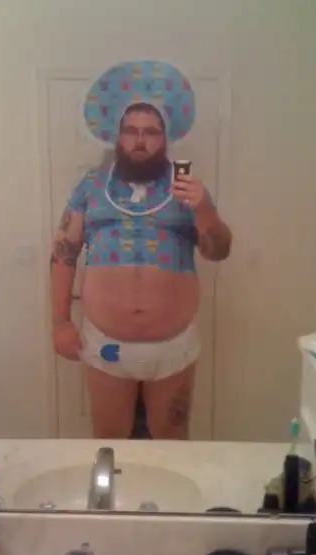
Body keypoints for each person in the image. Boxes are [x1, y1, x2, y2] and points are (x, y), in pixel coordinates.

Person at [50, 60, 232, 440]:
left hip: (173, 348)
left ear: (165, 139)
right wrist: (60, 322)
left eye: (151, 132)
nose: (140, 140)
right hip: (105, 344)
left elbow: (218, 251)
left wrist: (204, 208)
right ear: (117, 136)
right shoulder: (90, 186)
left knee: (171, 444)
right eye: (131, 131)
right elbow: (64, 254)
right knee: (110, 443)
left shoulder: (187, 188)